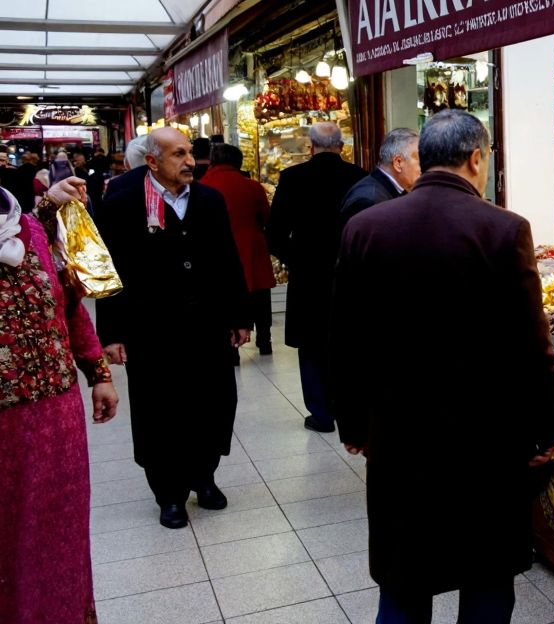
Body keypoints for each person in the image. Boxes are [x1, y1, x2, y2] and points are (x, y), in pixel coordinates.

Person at [333, 111, 554, 624]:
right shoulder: (504, 229)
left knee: (404, 579)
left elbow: (345, 338)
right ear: (476, 158)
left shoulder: (365, 228)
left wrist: (352, 423)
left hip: (398, 436)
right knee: (485, 577)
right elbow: (533, 347)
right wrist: (543, 432)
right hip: (487, 441)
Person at [96, 127, 250, 529]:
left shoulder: (209, 200)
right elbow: (108, 271)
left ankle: (205, 477)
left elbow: (228, 259)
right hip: (151, 330)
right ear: (152, 161)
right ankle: (169, 493)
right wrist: (110, 333)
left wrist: (239, 317)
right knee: (160, 411)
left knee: (212, 403)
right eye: (178, 154)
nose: (188, 161)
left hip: (207, 326)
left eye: (190, 153)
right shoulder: (123, 202)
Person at [0, 179, 119, 624]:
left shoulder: (29, 230)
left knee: (58, 537)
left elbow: (69, 307)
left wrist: (98, 373)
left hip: (56, 421)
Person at [266, 122, 364, 433]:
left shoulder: (293, 178)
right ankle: (346, 405)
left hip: (308, 276)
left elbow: (275, 234)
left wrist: (298, 259)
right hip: (349, 272)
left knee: (311, 346)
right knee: (348, 341)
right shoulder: (359, 177)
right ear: (341, 146)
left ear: (311, 146)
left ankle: (321, 413)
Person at [202, 143, 278, 356]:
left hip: (217, 251)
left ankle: (231, 347)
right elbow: (266, 217)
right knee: (261, 298)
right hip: (252, 247)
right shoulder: (252, 186)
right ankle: (265, 340)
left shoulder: (202, 186)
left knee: (225, 297)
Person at [340, 127, 420, 221]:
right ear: (398, 162)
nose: (426, 167)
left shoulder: (389, 191)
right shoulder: (369, 201)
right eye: (421, 160)